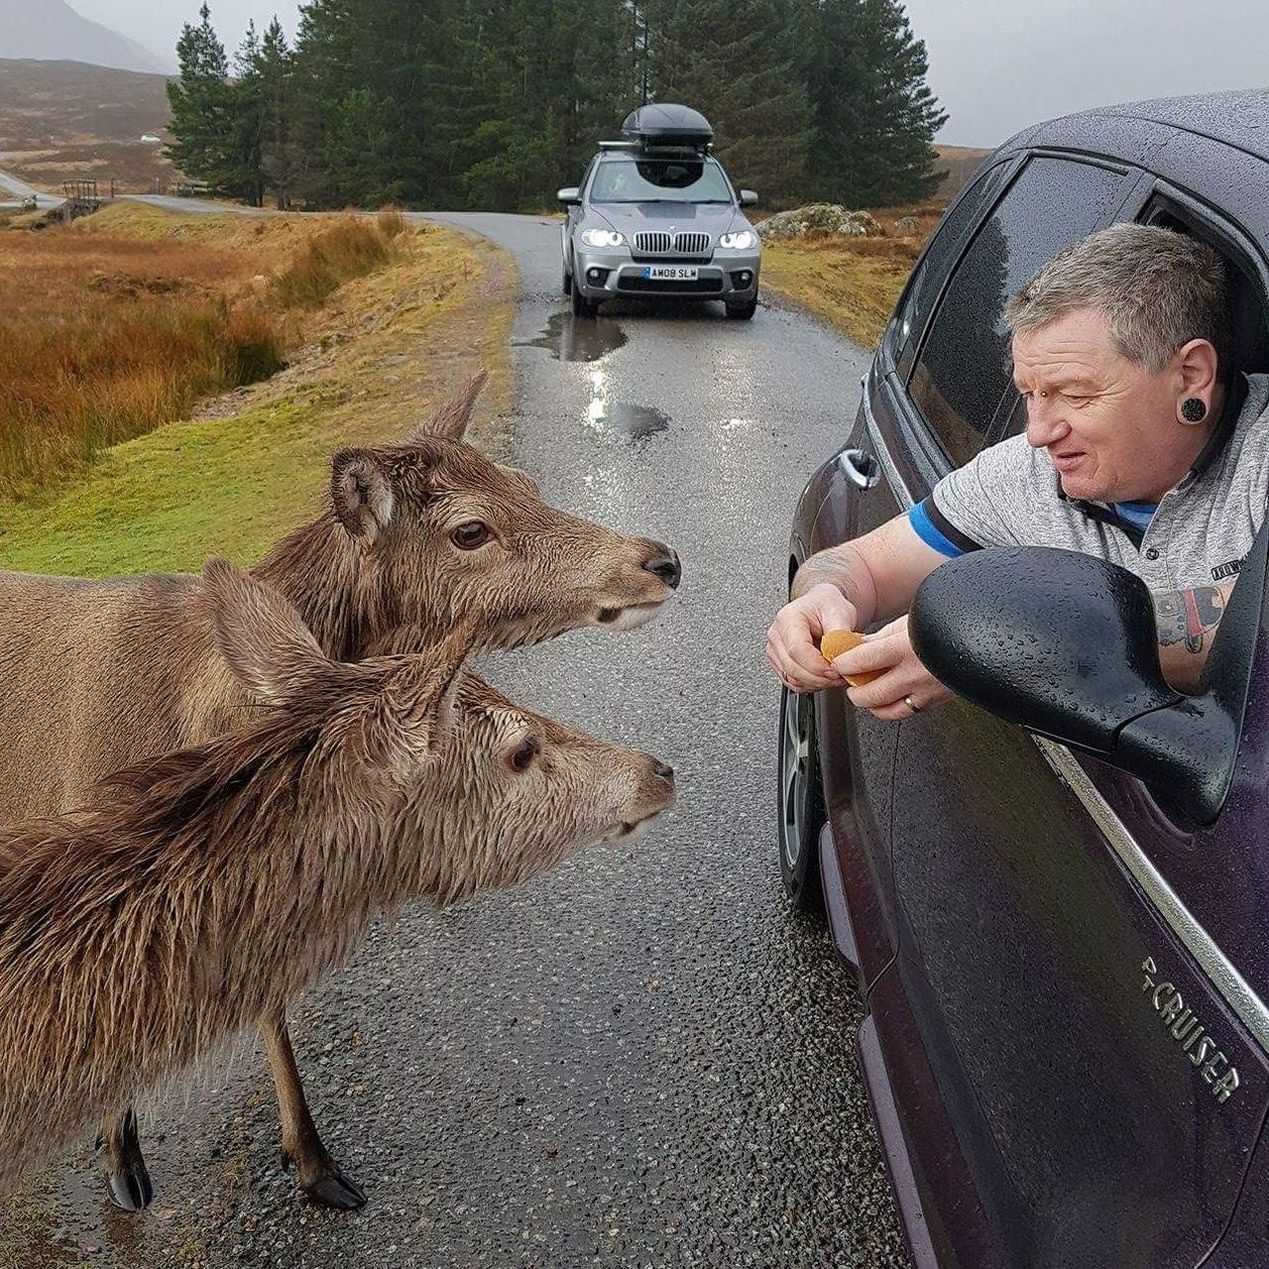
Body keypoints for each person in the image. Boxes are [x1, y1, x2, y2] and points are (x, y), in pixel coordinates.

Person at [766, 222, 1269, 719]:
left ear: (1191, 376)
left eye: (1076, 395)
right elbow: (861, 567)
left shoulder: (1259, 453)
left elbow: (1256, 628)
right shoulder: (1022, 476)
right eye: (1030, 394)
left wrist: (1003, 644)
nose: (1038, 432)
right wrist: (819, 598)